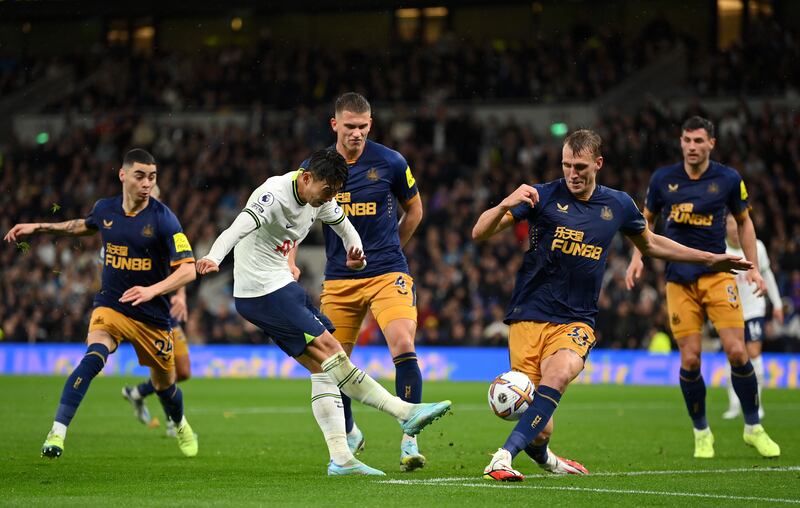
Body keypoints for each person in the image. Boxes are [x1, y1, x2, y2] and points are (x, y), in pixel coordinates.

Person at [474, 129, 753, 482]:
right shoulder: (541, 196)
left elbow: (651, 244)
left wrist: (710, 259)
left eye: (579, 166)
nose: (572, 174)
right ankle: (546, 459)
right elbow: (479, 232)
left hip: (576, 320)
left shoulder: (617, 205)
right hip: (528, 317)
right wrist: (504, 202)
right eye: (566, 166)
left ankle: (502, 456)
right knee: (541, 429)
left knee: (558, 375)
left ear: (598, 164)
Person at [195, 149, 450, 476]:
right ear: (306, 179)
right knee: (333, 350)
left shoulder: (320, 197)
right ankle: (404, 412)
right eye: (327, 191)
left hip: (282, 287)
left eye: (334, 193)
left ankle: (341, 458)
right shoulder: (273, 195)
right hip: (261, 293)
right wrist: (215, 258)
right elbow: (235, 229)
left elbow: (344, 225)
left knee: (323, 368)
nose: (329, 199)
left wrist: (355, 251)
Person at [4, 149, 199, 459]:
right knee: (94, 357)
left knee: (166, 386)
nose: (147, 183)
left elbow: (189, 269)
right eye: (140, 176)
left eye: (152, 177)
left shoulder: (164, 219)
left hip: (152, 316)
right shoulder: (105, 209)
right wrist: (38, 227)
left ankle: (180, 423)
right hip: (112, 304)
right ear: (122, 175)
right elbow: (81, 225)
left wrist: (152, 291)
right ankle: (57, 432)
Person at [626, 116, 780, 459]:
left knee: (737, 352)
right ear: (680, 142)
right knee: (691, 359)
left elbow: (745, 222)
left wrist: (753, 267)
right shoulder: (663, 180)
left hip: (718, 274)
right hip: (679, 279)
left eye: (699, 141)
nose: (692, 147)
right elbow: (644, 222)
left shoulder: (727, 179)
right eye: (687, 140)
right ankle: (702, 432)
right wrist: (638, 258)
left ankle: (754, 427)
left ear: (712, 143)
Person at [292, 92, 426, 471]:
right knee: (332, 362)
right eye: (350, 126)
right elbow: (293, 218)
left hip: (387, 272)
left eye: (363, 127)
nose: (357, 134)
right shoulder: (314, 167)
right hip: (339, 278)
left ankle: (409, 436)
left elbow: (414, 210)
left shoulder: (390, 162)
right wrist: (290, 260)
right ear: (334, 124)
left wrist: (391, 251)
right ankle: (350, 429)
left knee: (403, 341)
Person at [120, 184, 193, 437]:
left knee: (182, 371)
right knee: (166, 368)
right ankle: (174, 421)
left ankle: (137, 392)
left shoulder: (166, 224)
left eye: (154, 195)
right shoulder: (124, 228)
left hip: (166, 305)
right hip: (144, 308)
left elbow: (182, 266)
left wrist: (181, 296)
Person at [721, 213, 783, 419]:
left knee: (754, 353)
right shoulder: (719, 249)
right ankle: (734, 404)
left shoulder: (758, 247)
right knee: (735, 356)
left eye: (737, 223)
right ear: (726, 226)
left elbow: (767, 274)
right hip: (729, 311)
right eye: (730, 223)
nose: (734, 228)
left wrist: (777, 303)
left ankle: (756, 402)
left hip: (754, 307)